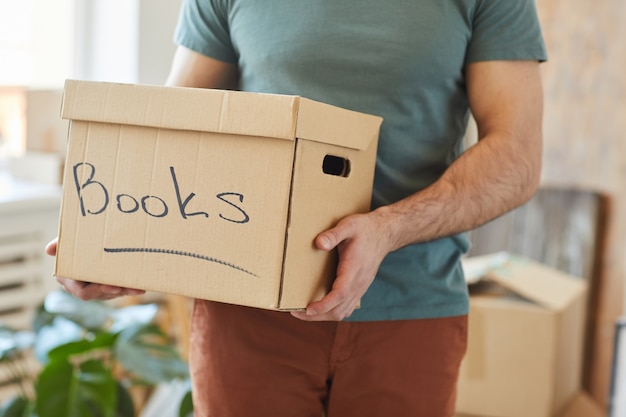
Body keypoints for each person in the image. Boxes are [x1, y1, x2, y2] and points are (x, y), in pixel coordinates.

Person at [46, 1, 547, 416]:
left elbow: (517, 158)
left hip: (409, 311)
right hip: (247, 311)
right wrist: (108, 241)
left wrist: (388, 229)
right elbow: (177, 130)